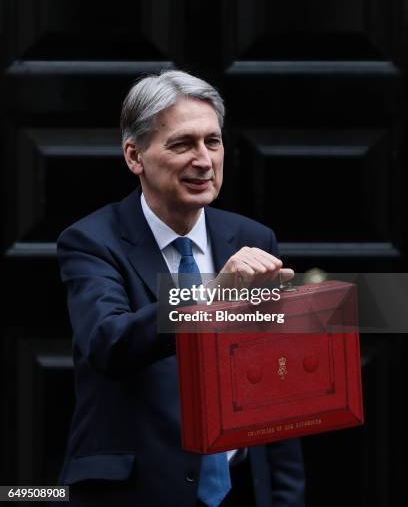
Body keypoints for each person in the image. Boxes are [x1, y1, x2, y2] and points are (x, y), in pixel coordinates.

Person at [54, 70, 305, 507]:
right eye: (182, 143)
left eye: (213, 141)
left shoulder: (253, 238)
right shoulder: (92, 240)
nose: (204, 160)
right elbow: (108, 342)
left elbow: (275, 389)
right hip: (133, 493)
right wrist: (212, 295)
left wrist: (285, 495)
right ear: (135, 156)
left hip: (242, 489)